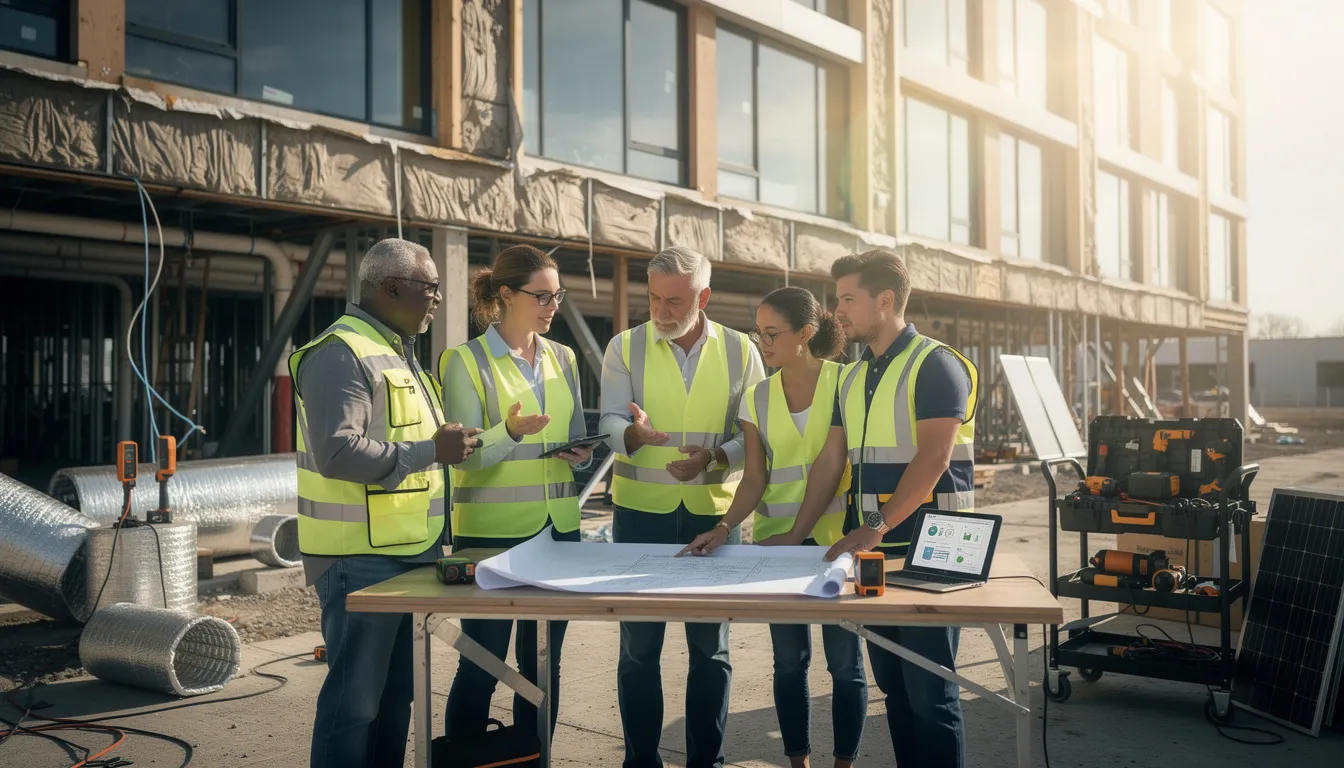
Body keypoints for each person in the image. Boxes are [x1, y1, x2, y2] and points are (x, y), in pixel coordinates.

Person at [770, 249, 978, 768]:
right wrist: (796, 535)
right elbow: (830, 460)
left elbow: (934, 458)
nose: (835, 311)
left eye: (847, 299)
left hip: (930, 554)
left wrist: (874, 527)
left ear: (885, 301)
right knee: (895, 690)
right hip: (876, 555)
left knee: (933, 696)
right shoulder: (853, 376)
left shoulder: (937, 364)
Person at [291, 237, 483, 768]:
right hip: (360, 559)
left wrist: (453, 447)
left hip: (407, 553)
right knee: (354, 705)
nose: (438, 299)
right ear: (392, 287)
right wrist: (430, 450)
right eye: (431, 287)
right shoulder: (340, 352)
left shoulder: (400, 353)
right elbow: (336, 452)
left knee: (397, 699)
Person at [679, 287, 868, 768]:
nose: (761, 343)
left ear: (806, 334)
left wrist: (798, 534)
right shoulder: (756, 397)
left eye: (771, 334)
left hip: (837, 546)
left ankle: (843, 763)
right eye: (757, 333)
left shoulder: (847, 382)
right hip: (776, 547)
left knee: (846, 666)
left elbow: (835, 463)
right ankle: (798, 763)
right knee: (789, 664)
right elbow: (755, 478)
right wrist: (722, 528)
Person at [598, 245, 765, 768]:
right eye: (654, 298)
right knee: (638, 651)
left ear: (704, 296)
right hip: (639, 515)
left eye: (674, 301)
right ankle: (640, 762)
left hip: (714, 518)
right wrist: (634, 434)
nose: (662, 311)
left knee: (710, 653)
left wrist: (714, 457)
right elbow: (607, 423)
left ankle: (705, 764)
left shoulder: (743, 352)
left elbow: (756, 440)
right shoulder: (624, 347)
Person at [436, 244, 595, 741]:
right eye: (542, 296)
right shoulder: (464, 361)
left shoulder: (564, 357)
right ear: (505, 295)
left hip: (559, 531)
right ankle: (465, 758)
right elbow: (466, 454)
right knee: (482, 664)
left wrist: (581, 454)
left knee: (543, 665)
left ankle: (533, 758)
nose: (553, 306)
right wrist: (511, 431)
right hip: (491, 537)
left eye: (557, 296)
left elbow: (569, 434)